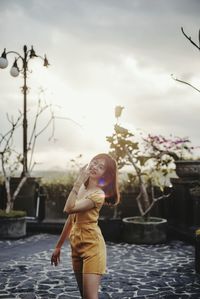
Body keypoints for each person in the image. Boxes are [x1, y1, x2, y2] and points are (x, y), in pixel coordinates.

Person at [51, 153, 120, 299]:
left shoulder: (98, 195)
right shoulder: (82, 188)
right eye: (94, 162)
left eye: (101, 167)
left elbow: (68, 208)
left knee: (90, 297)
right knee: (84, 295)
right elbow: (71, 219)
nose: (95, 166)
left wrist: (77, 182)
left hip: (92, 247)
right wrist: (58, 246)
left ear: (105, 176)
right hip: (76, 245)